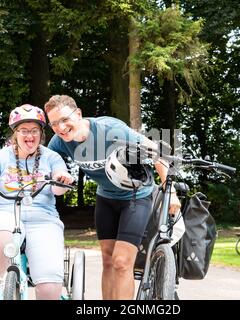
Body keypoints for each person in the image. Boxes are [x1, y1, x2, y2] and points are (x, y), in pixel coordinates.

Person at [43, 95, 181, 300]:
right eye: (54, 123)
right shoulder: (59, 143)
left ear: (78, 114)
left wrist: (170, 193)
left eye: (64, 120)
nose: (61, 127)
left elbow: (157, 153)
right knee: (107, 260)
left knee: (122, 262)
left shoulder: (111, 130)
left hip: (136, 197)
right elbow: (39, 162)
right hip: (106, 198)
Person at [0, 104, 74, 300]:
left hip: (43, 219)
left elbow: (59, 187)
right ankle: (1, 287)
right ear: (15, 133)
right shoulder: (0, 157)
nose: (30, 136)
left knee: (50, 290)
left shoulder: (52, 157)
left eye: (34, 131)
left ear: (41, 134)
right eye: (24, 131)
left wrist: (63, 179)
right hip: (4, 214)